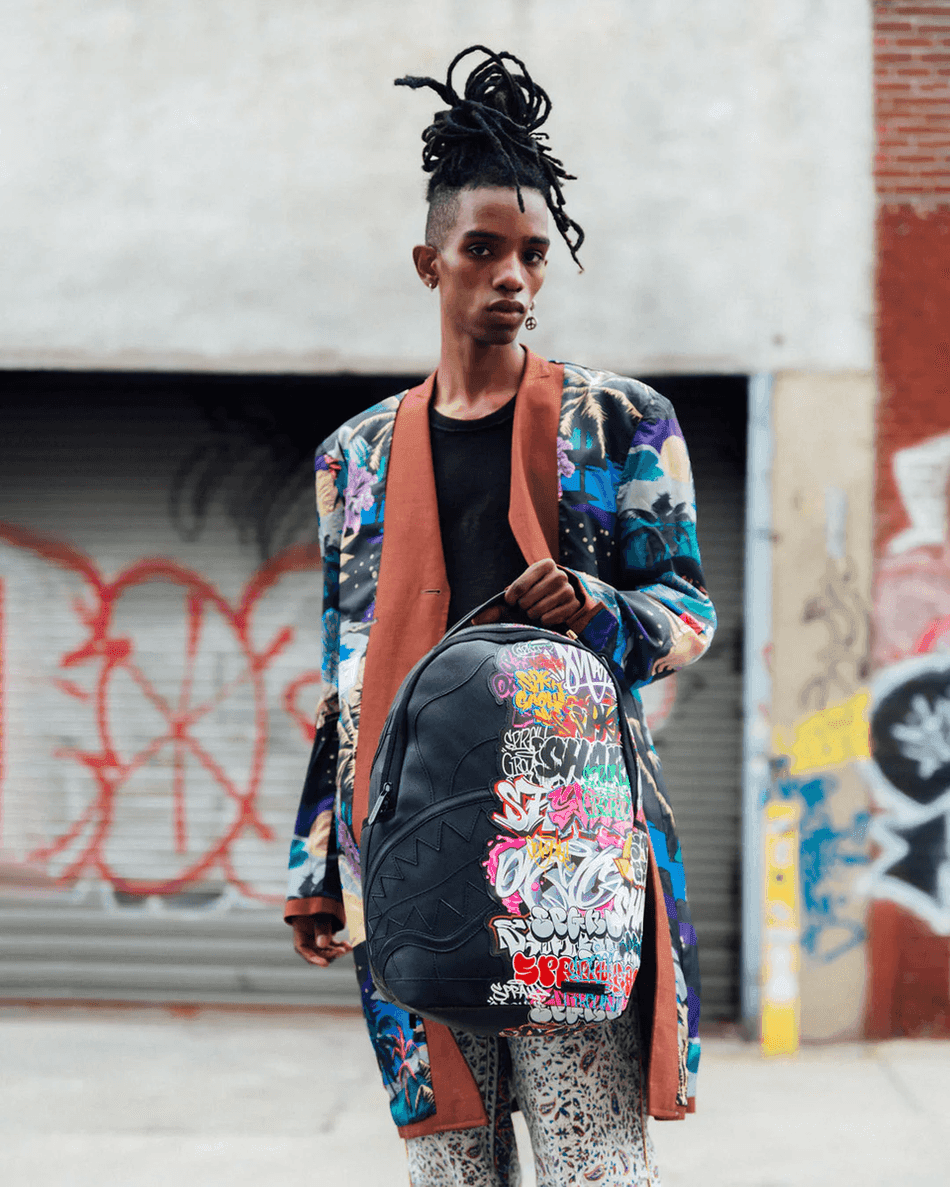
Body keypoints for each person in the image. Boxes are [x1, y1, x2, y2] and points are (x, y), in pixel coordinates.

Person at [285, 46, 716, 1187]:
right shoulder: (353, 460)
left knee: (591, 1163)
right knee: (450, 1165)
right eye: (483, 249)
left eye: (532, 253)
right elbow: (346, 676)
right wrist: (318, 859)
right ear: (429, 263)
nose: (512, 276)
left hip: (569, 852)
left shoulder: (619, 423)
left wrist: (600, 607)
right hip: (411, 851)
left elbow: (688, 614)